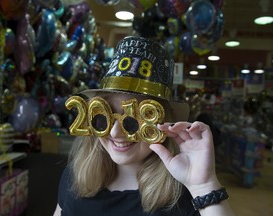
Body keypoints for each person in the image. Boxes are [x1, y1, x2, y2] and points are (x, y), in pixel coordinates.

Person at [54, 36, 235, 216]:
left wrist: (204, 185)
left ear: (162, 121)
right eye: (106, 116)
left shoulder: (185, 195)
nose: (116, 132)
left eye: (132, 120)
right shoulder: (75, 174)